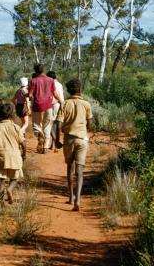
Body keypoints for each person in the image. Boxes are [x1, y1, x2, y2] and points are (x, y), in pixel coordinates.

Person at [55, 79, 93, 212]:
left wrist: (57, 140)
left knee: (70, 167)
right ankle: (78, 199)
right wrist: (84, 128)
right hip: (82, 139)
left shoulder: (65, 104)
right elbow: (90, 123)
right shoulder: (86, 104)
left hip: (69, 139)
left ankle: (70, 197)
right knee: (80, 170)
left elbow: (58, 124)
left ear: (68, 90)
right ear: (80, 90)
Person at [0, 103, 26, 204]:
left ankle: (1, 204)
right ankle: (10, 189)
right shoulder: (16, 128)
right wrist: (24, 154)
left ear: (0, 114)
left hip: (1, 157)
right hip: (15, 156)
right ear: (12, 115)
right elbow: (23, 144)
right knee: (15, 177)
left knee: (0, 181)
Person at [29, 64, 62, 154]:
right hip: (48, 106)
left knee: (36, 125)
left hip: (37, 106)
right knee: (47, 125)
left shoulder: (33, 81)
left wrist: (28, 97)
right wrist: (62, 102)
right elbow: (55, 94)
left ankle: (39, 134)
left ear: (35, 70)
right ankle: (46, 147)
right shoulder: (51, 80)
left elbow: (30, 95)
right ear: (43, 70)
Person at [46, 71, 64, 151]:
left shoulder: (49, 84)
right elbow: (61, 96)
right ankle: (53, 144)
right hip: (59, 104)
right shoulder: (60, 84)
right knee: (56, 126)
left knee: (50, 125)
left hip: (51, 105)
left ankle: (55, 143)